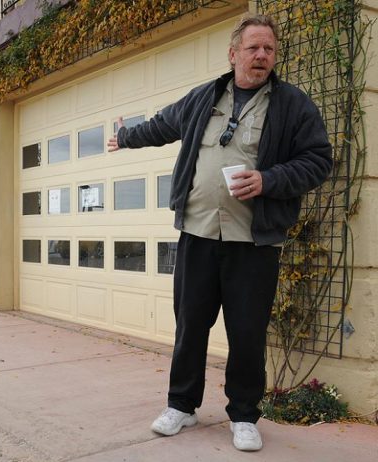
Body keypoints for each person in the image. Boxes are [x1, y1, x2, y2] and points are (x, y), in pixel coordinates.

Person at [107, 14, 332, 451]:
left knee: (247, 330)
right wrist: (127, 137)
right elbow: (164, 125)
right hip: (198, 233)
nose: (261, 55)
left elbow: (318, 161)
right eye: (253, 48)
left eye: (268, 48)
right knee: (190, 324)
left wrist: (269, 180)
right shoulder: (204, 98)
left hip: (254, 240)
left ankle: (245, 415)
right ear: (233, 54)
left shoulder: (292, 105)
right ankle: (182, 406)